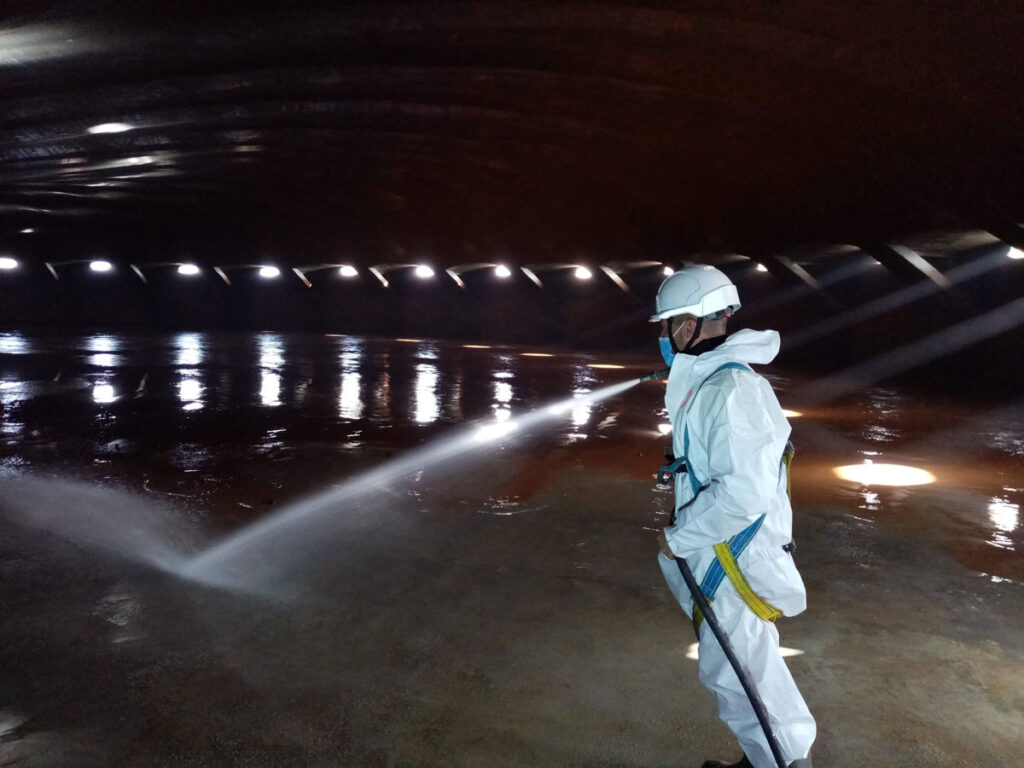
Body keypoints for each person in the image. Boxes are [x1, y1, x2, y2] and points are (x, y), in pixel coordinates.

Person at [652, 265, 816, 768]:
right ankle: (762, 757)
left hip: (733, 557)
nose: (665, 335)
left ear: (691, 324)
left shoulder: (731, 391)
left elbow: (743, 494)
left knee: (743, 672)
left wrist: (680, 537)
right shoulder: (713, 383)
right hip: (724, 553)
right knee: (741, 669)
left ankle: (784, 761)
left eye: (669, 324)